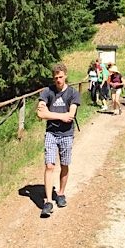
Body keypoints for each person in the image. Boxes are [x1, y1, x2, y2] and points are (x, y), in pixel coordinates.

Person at [36, 63, 81, 217]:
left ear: (65, 76)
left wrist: (51, 113)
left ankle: (60, 193)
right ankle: (48, 201)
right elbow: (40, 114)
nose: (58, 80)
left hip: (67, 134)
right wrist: (60, 115)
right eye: (56, 78)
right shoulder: (47, 92)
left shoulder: (73, 93)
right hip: (51, 133)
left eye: (60, 77)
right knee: (49, 165)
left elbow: (71, 116)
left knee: (65, 164)